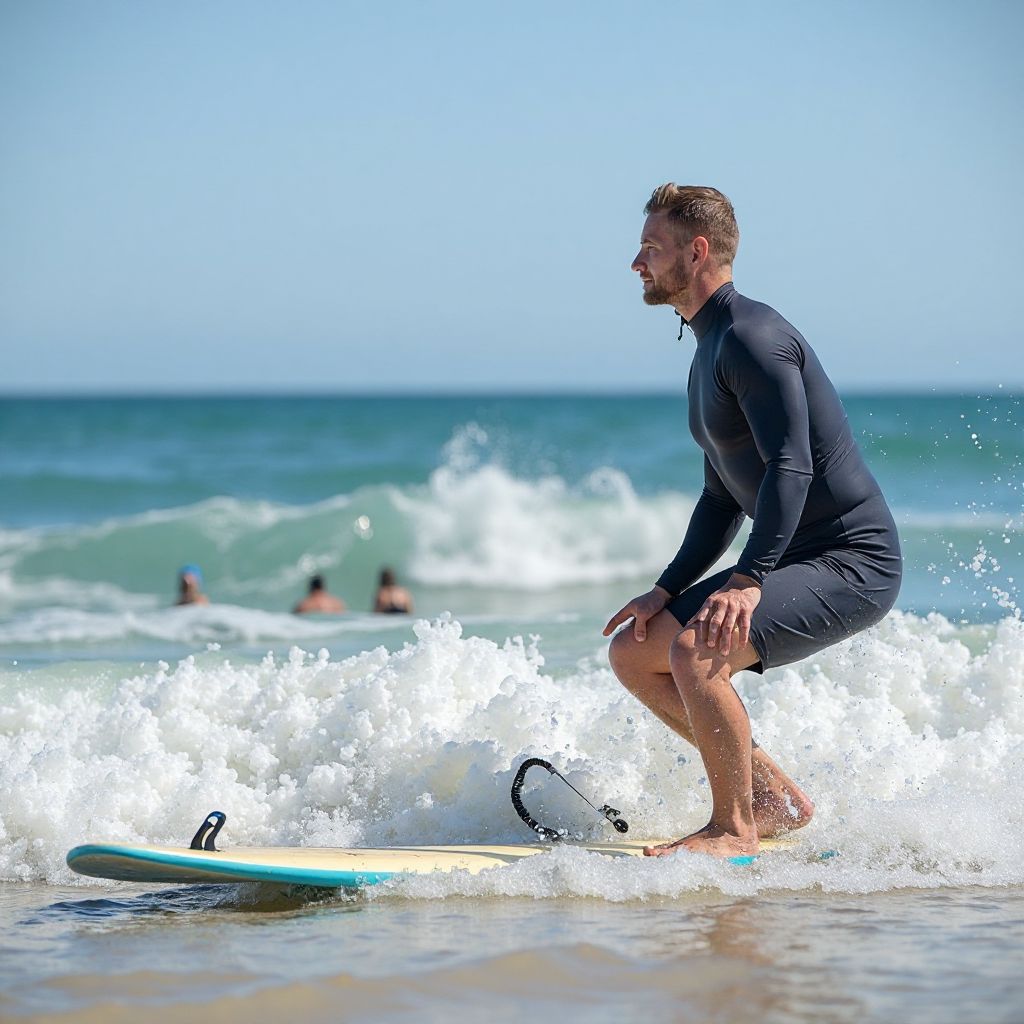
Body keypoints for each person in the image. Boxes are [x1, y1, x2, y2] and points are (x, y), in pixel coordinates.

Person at [604, 184, 901, 860]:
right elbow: (722, 496)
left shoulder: (752, 338)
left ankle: (732, 824)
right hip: (795, 556)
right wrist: (666, 587)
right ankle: (772, 799)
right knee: (636, 650)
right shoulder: (707, 350)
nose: (636, 262)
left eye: (651, 248)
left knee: (696, 649)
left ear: (697, 251)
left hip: (854, 562)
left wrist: (748, 578)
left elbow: (790, 467)